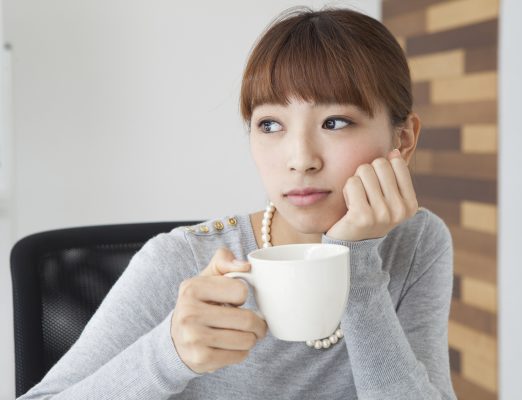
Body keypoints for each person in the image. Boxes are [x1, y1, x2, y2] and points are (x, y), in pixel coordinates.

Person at [19, 6, 456, 400]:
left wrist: (356, 263)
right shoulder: (178, 259)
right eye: (270, 124)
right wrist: (168, 354)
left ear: (404, 139)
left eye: (335, 121)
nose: (300, 159)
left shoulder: (416, 243)